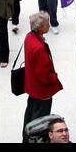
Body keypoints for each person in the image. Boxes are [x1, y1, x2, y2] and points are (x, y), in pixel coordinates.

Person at [22, 12, 63, 142]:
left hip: (32, 88)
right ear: (39, 28)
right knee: (39, 121)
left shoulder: (29, 37)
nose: (49, 25)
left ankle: (26, 137)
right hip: (42, 91)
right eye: (46, 24)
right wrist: (54, 77)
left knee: (30, 113)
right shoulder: (38, 48)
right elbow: (44, 75)